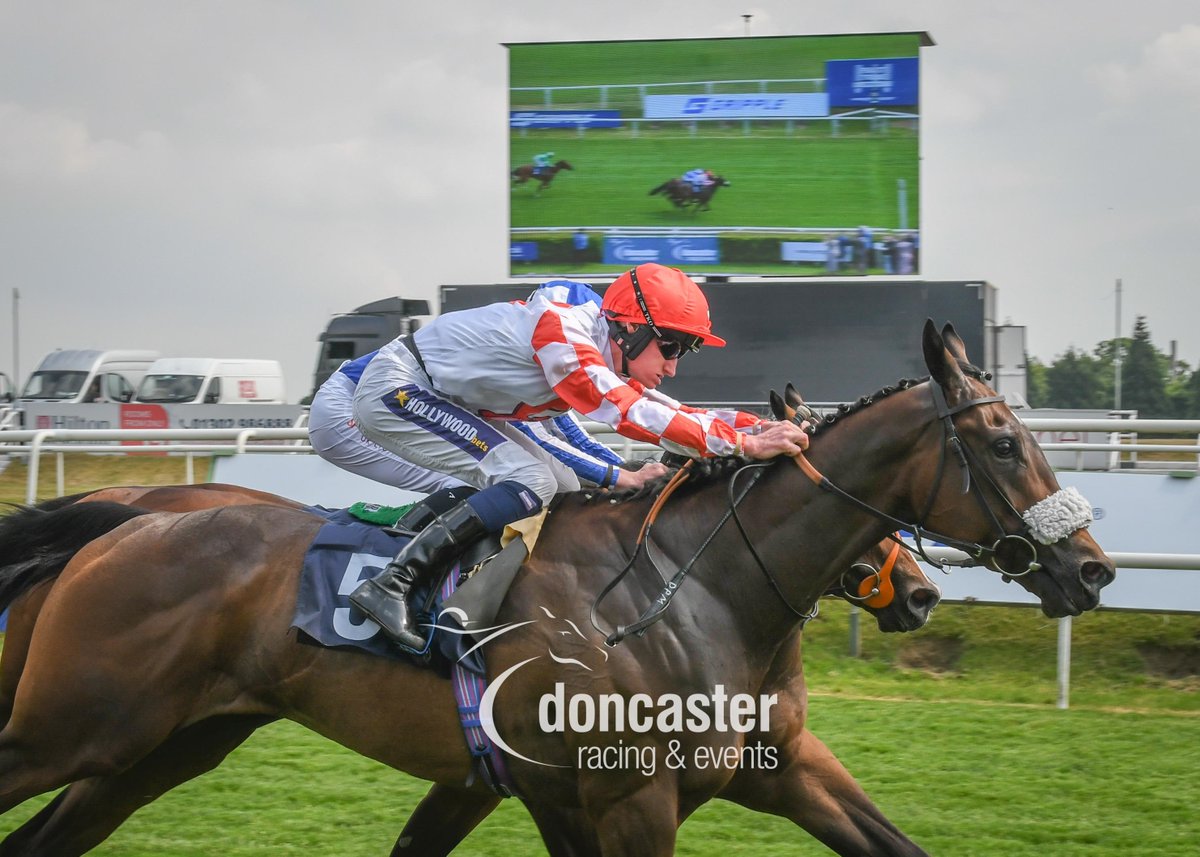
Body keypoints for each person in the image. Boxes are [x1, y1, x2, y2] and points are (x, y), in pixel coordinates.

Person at [347, 263, 810, 650]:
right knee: (532, 481)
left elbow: (671, 410)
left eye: (683, 351)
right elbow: (627, 413)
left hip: (442, 395)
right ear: (628, 329)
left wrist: (756, 426)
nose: (672, 366)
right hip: (401, 388)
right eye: (670, 347)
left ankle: (483, 600)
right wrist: (742, 445)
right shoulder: (565, 333)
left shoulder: (599, 342)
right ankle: (393, 583)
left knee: (562, 487)